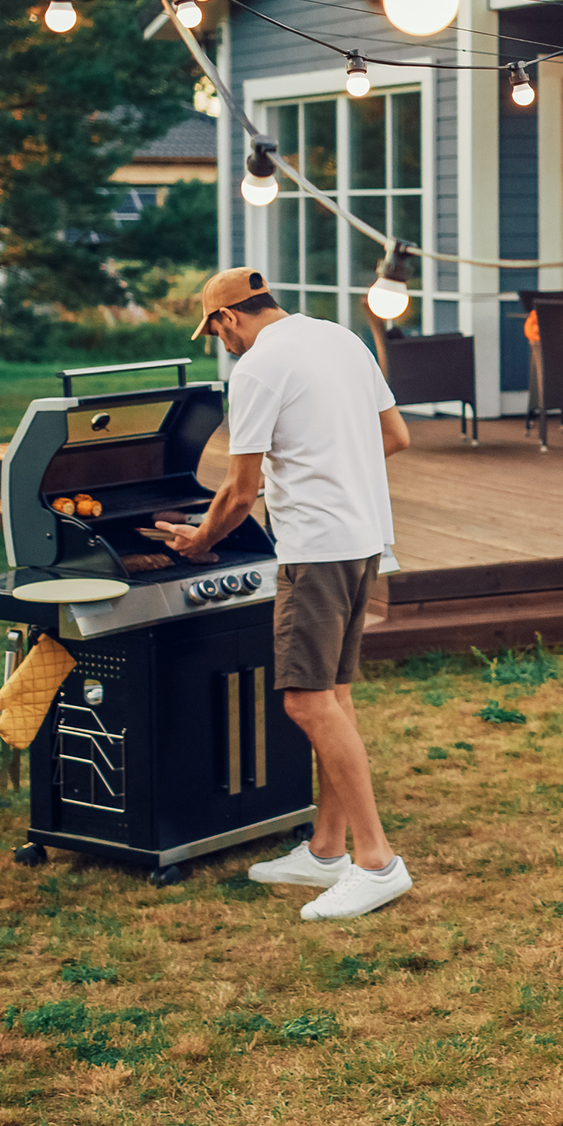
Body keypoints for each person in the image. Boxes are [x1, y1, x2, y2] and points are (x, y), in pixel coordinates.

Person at [151, 268, 414, 921]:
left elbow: (238, 493)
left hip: (316, 552)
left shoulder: (259, 368)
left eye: (216, 332)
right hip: (362, 541)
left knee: (305, 703)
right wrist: (317, 477)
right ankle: (325, 851)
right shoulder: (341, 339)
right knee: (335, 696)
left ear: (227, 319)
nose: (224, 344)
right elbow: (394, 437)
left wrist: (197, 541)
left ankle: (377, 861)